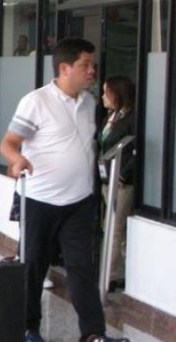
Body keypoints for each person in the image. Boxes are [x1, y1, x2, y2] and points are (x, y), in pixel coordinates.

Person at [0, 38, 130, 342]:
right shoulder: (37, 101)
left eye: (92, 65)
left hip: (79, 202)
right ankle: (28, 328)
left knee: (82, 268)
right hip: (40, 201)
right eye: (85, 64)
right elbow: (8, 143)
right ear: (64, 68)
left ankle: (93, 334)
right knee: (33, 266)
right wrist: (17, 159)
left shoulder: (88, 103)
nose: (92, 71)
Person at [99, 75, 135, 292]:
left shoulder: (131, 119)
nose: (103, 97)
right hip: (107, 180)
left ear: (117, 94)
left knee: (115, 227)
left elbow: (136, 151)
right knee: (115, 228)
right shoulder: (110, 117)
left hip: (122, 183)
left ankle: (109, 276)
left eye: (106, 92)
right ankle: (121, 272)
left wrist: (123, 174)